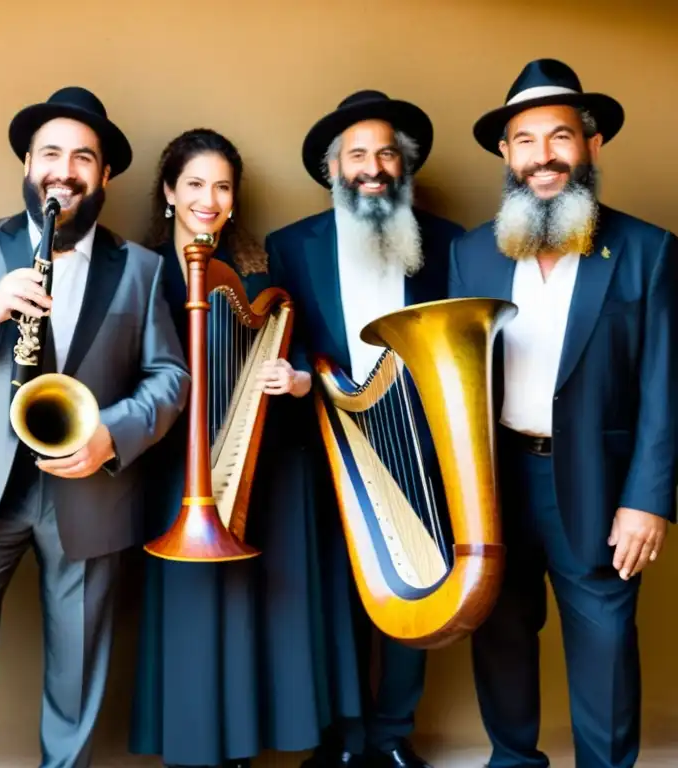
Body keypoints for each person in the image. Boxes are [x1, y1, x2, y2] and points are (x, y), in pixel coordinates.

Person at [0, 85, 190, 768]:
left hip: (91, 488)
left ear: (104, 175)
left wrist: (110, 435)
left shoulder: (141, 271)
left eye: (83, 157)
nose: (65, 169)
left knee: (79, 669)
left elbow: (170, 378)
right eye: (50, 153)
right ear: (27, 165)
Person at [450, 58, 676, 768]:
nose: (542, 156)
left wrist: (648, 502)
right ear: (505, 154)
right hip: (496, 483)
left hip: (599, 483)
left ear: (592, 145)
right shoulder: (468, 253)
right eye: (524, 140)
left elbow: (667, 387)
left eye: (559, 137)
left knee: (606, 650)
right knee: (502, 638)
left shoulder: (648, 251)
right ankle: (513, 761)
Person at [265, 90, 465, 768]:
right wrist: (294, 375)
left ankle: (391, 735)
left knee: (417, 589)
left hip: (422, 444)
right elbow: (282, 335)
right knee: (337, 599)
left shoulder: (448, 243)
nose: (373, 165)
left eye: (387, 152)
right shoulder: (290, 245)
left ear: (403, 165)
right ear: (333, 170)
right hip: (327, 445)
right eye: (358, 154)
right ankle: (343, 740)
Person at [128, 128, 332, 768]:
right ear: (168, 192)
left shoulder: (259, 275)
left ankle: (238, 745)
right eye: (194, 184)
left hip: (247, 462)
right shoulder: (141, 270)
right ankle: (191, 745)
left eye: (221, 187)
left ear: (235, 198)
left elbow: (296, 351)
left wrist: (294, 379)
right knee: (190, 607)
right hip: (171, 465)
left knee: (244, 604)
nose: (208, 199)